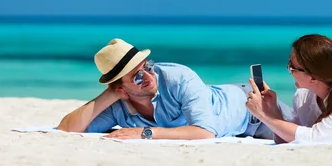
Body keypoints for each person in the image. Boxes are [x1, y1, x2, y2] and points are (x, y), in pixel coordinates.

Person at [57, 38, 293, 140]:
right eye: (137, 76)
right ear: (120, 88)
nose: (148, 75)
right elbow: (68, 129)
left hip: (252, 109)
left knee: (313, 130)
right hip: (235, 127)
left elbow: (204, 132)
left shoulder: (177, 77)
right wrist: (108, 95)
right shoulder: (118, 105)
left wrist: (146, 133)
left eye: (147, 66)